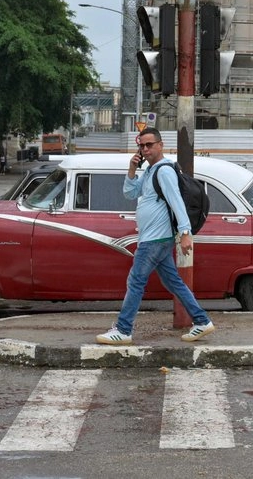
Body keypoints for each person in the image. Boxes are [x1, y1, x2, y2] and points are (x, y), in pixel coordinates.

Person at [95, 128, 215, 345]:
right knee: (174, 282)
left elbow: (177, 201)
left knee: (135, 281)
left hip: (155, 239)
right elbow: (130, 193)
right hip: (154, 238)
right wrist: (132, 168)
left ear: (161, 145)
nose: (145, 149)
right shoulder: (150, 171)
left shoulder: (164, 171)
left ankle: (123, 329)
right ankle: (202, 321)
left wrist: (186, 233)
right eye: (142, 146)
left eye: (149, 144)